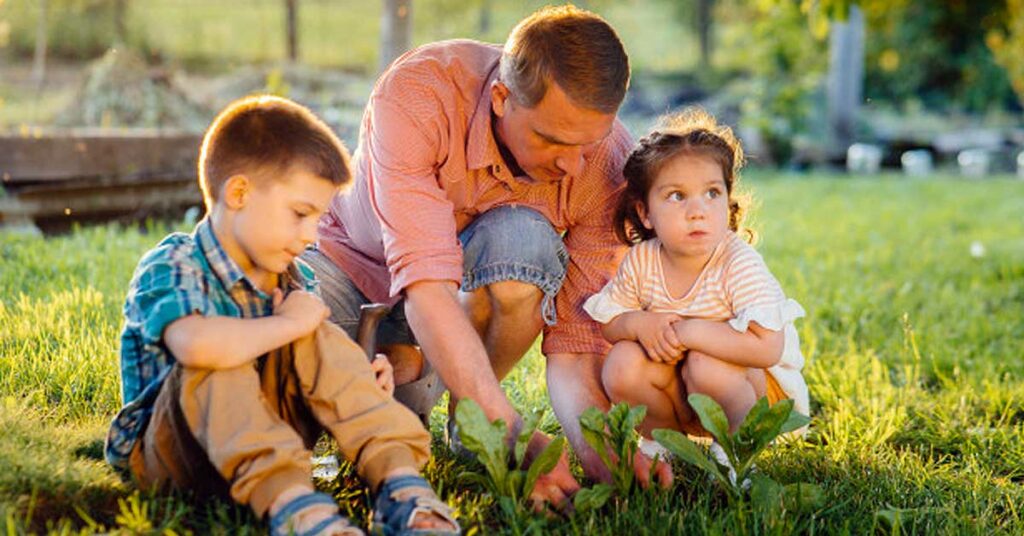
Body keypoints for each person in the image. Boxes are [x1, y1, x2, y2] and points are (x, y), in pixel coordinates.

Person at [304, 5, 671, 507]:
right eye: (551, 140)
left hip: (447, 306)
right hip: (350, 266)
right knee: (280, 374)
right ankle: (454, 403)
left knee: (525, 239)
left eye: (588, 143)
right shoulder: (420, 95)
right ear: (501, 98)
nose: (571, 165)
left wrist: (603, 451)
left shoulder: (605, 168)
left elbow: (574, 346)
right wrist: (516, 433)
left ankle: (471, 419)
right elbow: (426, 289)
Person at [104, 95, 459, 536]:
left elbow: (314, 362)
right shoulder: (176, 263)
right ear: (238, 193)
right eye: (299, 214)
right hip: (176, 456)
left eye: (317, 219)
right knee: (220, 356)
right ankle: (297, 510)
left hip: (269, 438)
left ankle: (400, 485)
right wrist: (291, 324)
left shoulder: (294, 278)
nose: (310, 235)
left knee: (321, 341)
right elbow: (196, 345)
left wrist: (361, 372)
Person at [584, 108, 809, 470]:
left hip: (756, 395)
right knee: (622, 363)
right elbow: (611, 322)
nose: (697, 211)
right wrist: (639, 325)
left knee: (706, 365)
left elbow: (768, 347)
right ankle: (664, 442)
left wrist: (689, 331)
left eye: (711, 193)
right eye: (676, 196)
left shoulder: (737, 262)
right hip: (685, 392)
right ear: (645, 213)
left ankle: (737, 449)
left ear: (727, 200)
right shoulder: (643, 260)